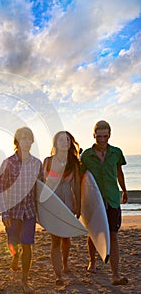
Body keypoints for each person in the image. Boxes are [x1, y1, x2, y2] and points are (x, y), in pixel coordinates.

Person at [0, 127, 45, 294]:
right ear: (16, 142)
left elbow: (42, 189)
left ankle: (24, 280)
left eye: (28, 138)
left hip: (29, 212)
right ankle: (15, 256)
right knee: (13, 242)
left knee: (28, 245)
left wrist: (45, 215)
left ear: (32, 141)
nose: (26, 141)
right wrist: (4, 213)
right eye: (22, 138)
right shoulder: (8, 163)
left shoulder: (37, 164)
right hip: (13, 212)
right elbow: (1, 189)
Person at [81, 120, 128, 285]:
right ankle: (92, 262)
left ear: (109, 135)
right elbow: (82, 179)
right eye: (99, 136)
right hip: (94, 200)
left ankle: (115, 275)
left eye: (105, 136)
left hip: (112, 198)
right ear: (94, 135)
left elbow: (119, 172)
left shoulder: (116, 152)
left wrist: (124, 190)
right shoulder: (86, 155)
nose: (102, 140)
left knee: (113, 236)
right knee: (93, 233)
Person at [43, 131, 81, 285]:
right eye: (61, 139)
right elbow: (41, 183)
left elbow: (77, 185)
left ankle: (65, 264)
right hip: (52, 202)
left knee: (66, 237)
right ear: (55, 143)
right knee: (55, 240)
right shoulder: (47, 161)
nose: (64, 142)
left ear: (70, 143)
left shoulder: (74, 162)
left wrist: (78, 205)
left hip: (67, 203)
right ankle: (58, 274)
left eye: (67, 139)